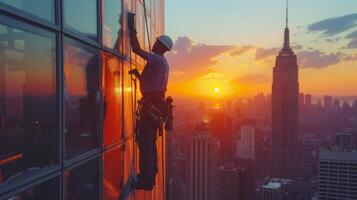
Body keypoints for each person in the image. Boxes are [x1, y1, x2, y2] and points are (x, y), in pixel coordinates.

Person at [128, 13, 173, 191]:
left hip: (152, 106)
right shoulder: (163, 63)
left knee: (144, 141)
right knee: (149, 140)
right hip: (156, 105)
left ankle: (147, 180)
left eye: (156, 43)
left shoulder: (156, 58)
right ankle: (151, 173)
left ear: (160, 46)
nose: (153, 44)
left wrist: (132, 28)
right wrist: (140, 76)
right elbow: (151, 85)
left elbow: (136, 49)